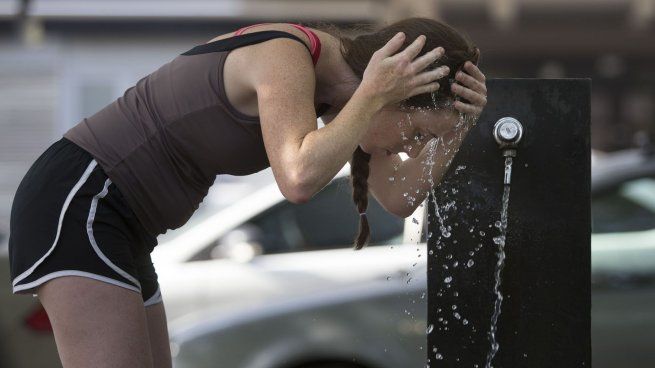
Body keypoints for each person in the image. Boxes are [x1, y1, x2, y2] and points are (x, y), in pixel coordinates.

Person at [8, 16, 486, 368]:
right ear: (392, 91)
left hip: (127, 225)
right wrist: (371, 96)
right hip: (82, 198)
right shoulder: (286, 56)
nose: (412, 147)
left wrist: (457, 128)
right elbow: (297, 179)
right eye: (420, 132)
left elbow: (397, 200)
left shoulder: (349, 104)